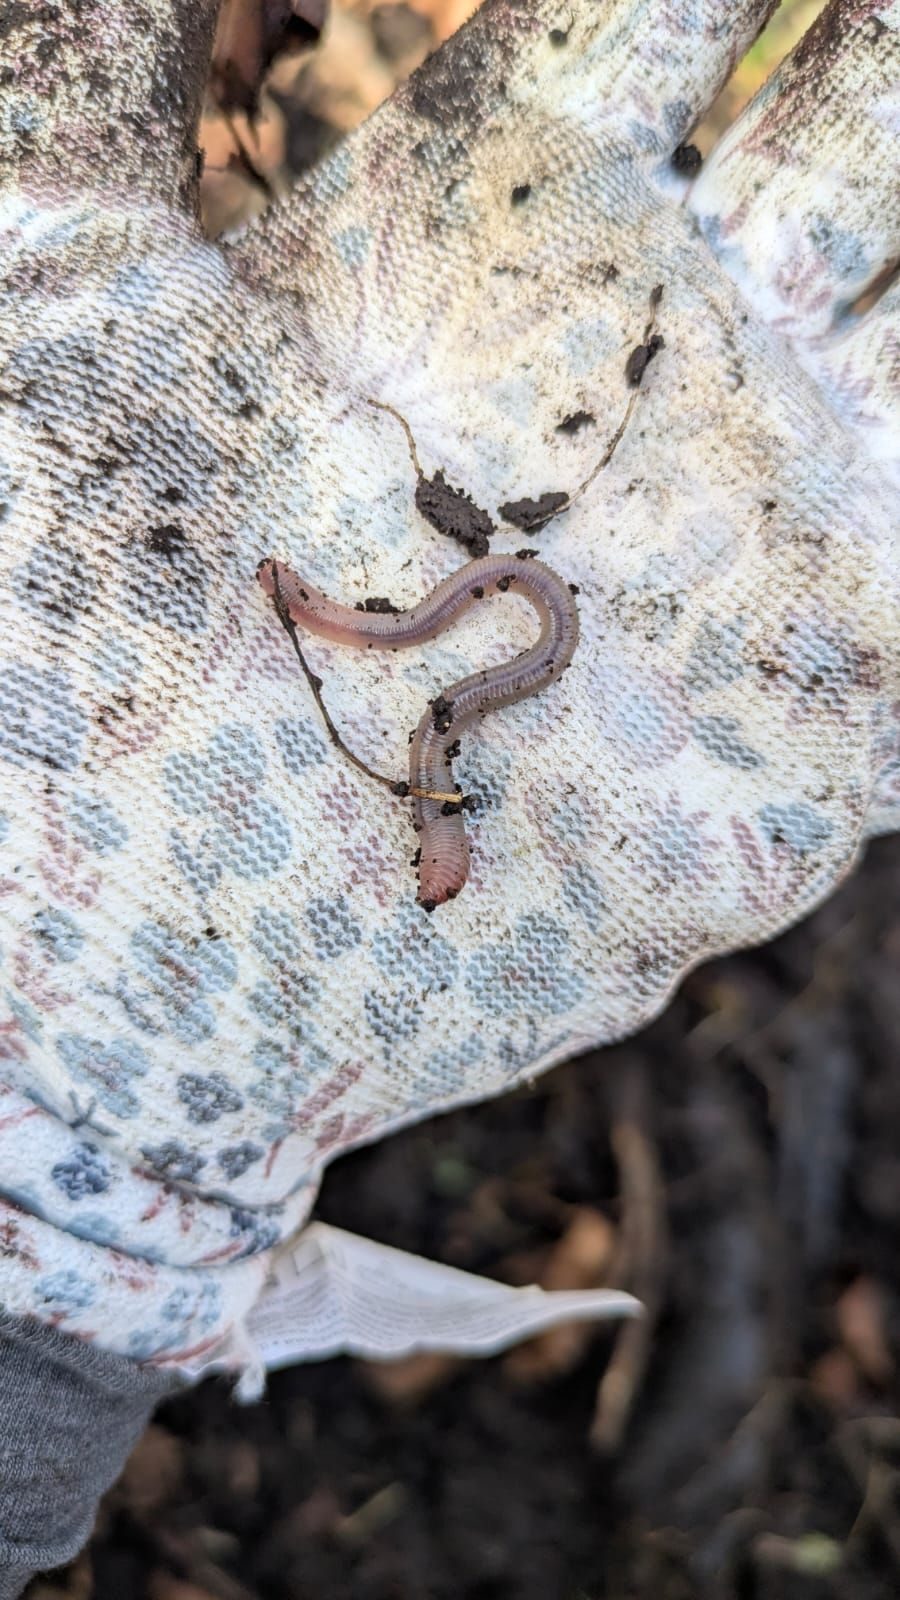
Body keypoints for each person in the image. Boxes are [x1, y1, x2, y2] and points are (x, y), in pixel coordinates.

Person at [1, 0, 897, 1589]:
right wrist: (76, 1221)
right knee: (425, 638)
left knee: (441, 643)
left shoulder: (447, 726)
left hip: (481, 629)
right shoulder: (423, 715)